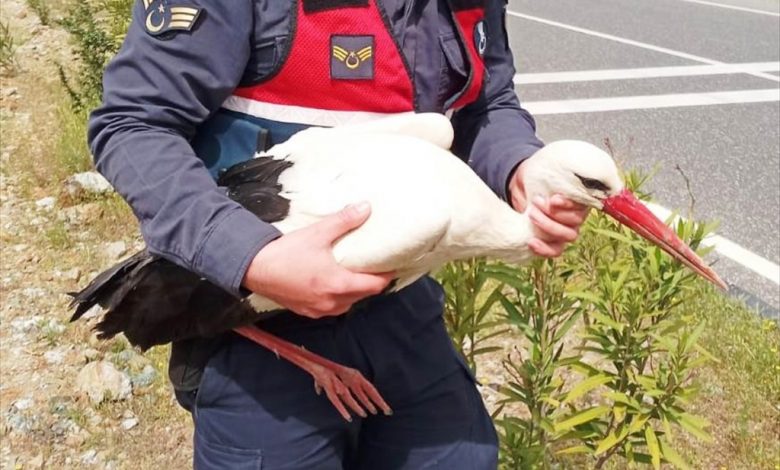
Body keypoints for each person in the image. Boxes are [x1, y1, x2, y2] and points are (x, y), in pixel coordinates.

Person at [88, 0, 588, 468]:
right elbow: (134, 124)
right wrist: (253, 258)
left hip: (400, 302)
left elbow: (485, 105)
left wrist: (518, 164)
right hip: (250, 318)